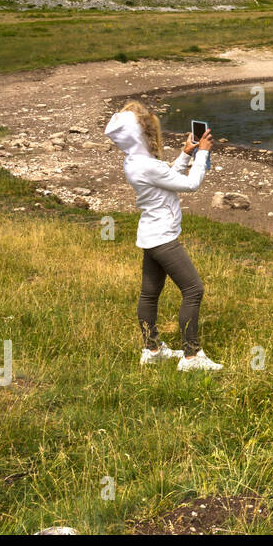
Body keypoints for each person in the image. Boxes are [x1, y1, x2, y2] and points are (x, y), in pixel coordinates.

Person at [104, 101, 223, 371]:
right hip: (163, 238)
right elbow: (191, 184)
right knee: (193, 289)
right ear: (139, 135)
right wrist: (202, 154)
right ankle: (191, 356)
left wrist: (185, 154)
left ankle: (152, 348)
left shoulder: (134, 161)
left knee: (149, 294)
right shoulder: (146, 165)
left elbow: (165, 177)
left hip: (149, 234)